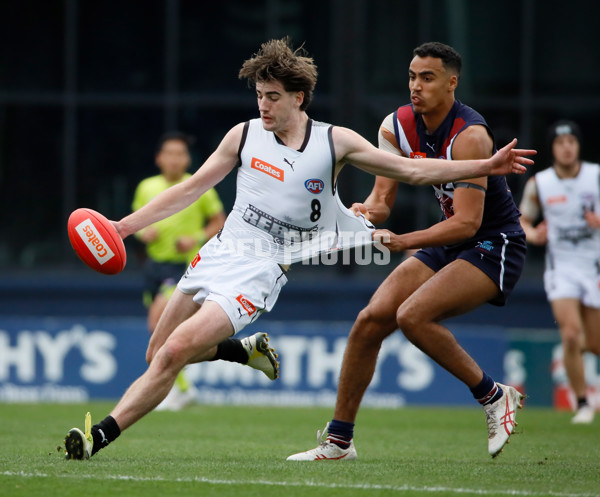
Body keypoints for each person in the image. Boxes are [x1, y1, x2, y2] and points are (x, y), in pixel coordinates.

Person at [63, 38, 534, 460]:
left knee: (173, 354)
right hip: (222, 251)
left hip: (260, 270)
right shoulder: (244, 134)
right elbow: (190, 189)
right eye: (259, 96)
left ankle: (96, 439)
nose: (263, 106)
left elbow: (411, 172)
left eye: (273, 97)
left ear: (298, 98)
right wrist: (123, 227)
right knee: (156, 354)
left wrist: (483, 164)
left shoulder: (334, 141)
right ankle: (241, 353)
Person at [287, 42, 527, 462]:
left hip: (494, 244)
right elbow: (382, 201)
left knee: (412, 315)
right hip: (449, 241)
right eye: (413, 76)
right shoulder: (396, 125)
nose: (416, 86)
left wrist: (403, 241)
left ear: (453, 83)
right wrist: (363, 211)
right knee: (370, 320)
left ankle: (494, 396)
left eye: (428, 78)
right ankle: (339, 442)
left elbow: (468, 224)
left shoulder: (471, 136)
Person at [132, 131, 227, 411]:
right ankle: (181, 388)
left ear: (187, 159)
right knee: (161, 331)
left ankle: (175, 388)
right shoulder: (146, 187)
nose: (175, 159)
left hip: (185, 268)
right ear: (159, 158)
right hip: (154, 267)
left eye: (180, 154)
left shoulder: (199, 186)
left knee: (158, 324)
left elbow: (219, 222)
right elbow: (138, 222)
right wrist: (142, 233)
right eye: (169, 153)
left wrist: (196, 237)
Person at [519, 120, 600, 424]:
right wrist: (533, 235)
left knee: (594, 343)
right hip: (561, 267)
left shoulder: (596, 176)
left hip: (593, 265)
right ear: (552, 149)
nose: (566, 148)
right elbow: (523, 221)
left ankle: (576, 362)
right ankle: (582, 404)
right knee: (569, 333)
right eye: (560, 143)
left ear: (578, 146)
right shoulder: (540, 183)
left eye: (571, 142)